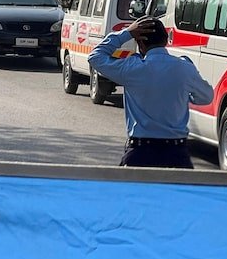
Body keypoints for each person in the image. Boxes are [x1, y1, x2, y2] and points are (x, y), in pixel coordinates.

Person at [88, 17, 214, 168]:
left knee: (131, 191)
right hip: (176, 155)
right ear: (166, 40)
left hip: (140, 154)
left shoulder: (133, 68)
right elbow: (206, 97)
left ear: (140, 43)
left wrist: (127, 33)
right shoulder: (184, 68)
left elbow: (95, 57)